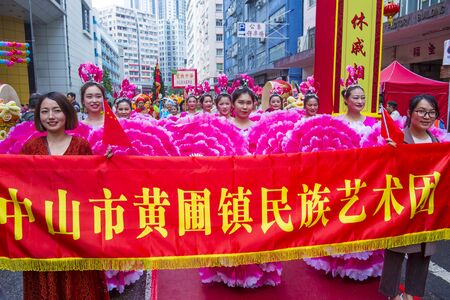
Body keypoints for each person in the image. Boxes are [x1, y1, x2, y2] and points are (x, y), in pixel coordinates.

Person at [20, 92, 110, 299]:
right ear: (38, 116)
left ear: (67, 113)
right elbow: (20, 184)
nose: (51, 116)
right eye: (45, 111)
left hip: (75, 228)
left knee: (78, 277)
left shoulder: (81, 145)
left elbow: (92, 184)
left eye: (56, 110)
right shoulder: (30, 147)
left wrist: (106, 162)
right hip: (41, 228)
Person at [380, 94, 440, 300]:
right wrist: (390, 155)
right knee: (395, 253)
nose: (426, 116)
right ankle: (393, 294)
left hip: (428, 210)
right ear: (409, 113)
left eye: (431, 112)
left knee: (423, 255)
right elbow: (381, 176)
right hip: (401, 207)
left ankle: (413, 294)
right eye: (421, 111)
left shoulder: (439, 144)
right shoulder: (396, 140)